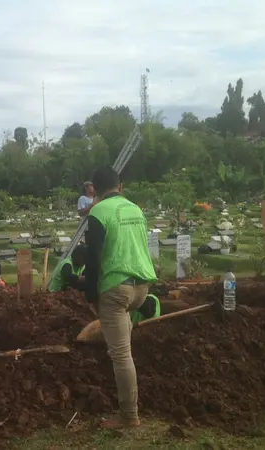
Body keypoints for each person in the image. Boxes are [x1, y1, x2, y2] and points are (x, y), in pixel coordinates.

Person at [84, 166, 157, 430]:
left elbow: (93, 259)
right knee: (123, 343)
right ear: (121, 187)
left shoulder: (98, 212)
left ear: (94, 191)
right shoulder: (135, 209)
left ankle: (129, 415)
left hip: (116, 289)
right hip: (141, 287)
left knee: (121, 355)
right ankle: (130, 402)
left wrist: (92, 296)